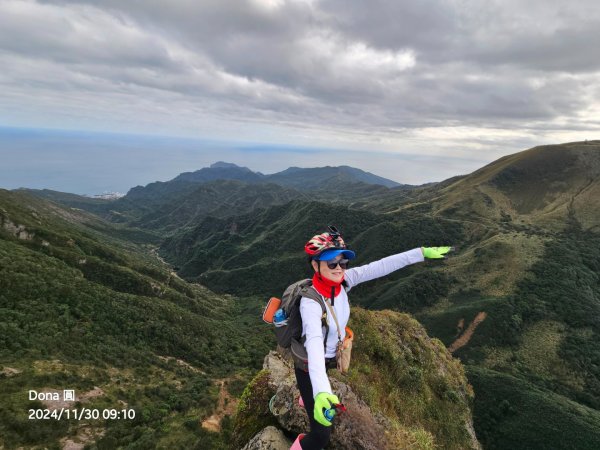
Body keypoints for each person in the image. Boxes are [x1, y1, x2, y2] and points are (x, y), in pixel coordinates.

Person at [291, 226, 452, 450]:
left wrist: (420, 253)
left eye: (343, 262)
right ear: (315, 265)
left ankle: (306, 398)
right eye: (332, 263)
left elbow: (381, 266)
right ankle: (308, 400)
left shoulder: (344, 282)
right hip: (309, 366)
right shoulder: (310, 303)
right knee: (320, 436)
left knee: (320, 380)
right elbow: (315, 347)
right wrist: (321, 393)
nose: (340, 269)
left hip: (327, 360)